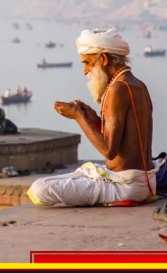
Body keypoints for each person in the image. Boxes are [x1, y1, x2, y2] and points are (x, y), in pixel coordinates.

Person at [27, 28, 157, 207]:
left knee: (39, 189)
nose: (85, 71)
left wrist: (78, 116)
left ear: (103, 59)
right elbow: (122, 140)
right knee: (76, 174)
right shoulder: (138, 84)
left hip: (126, 185)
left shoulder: (117, 89)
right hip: (144, 180)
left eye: (87, 63)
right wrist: (94, 119)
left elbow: (109, 150)